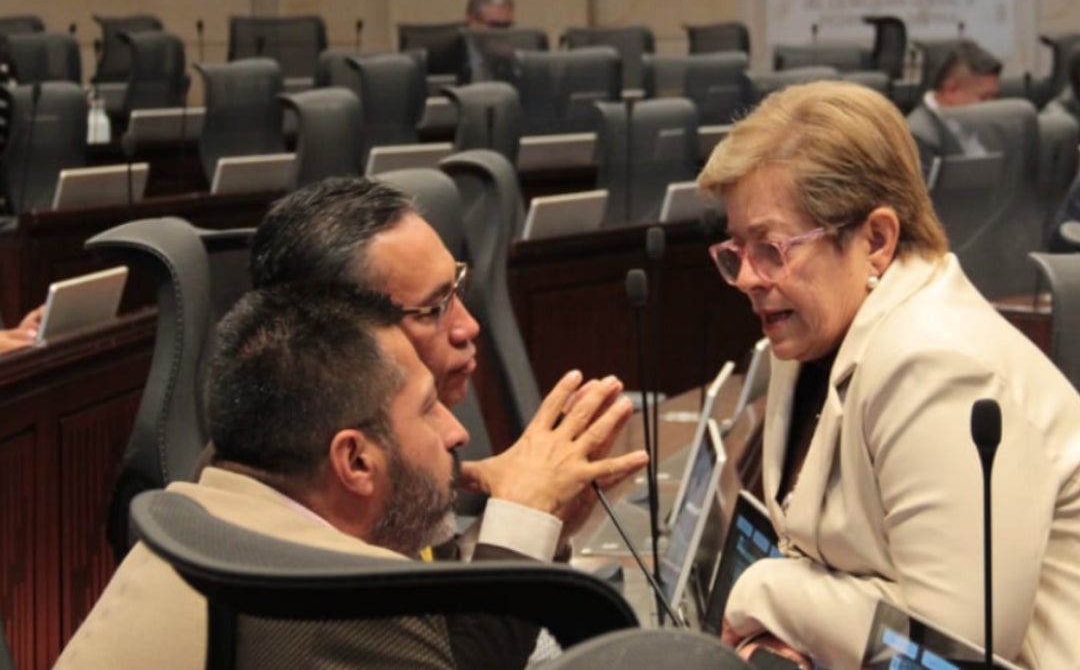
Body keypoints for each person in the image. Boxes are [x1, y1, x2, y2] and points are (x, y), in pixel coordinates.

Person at [56, 283, 644, 669]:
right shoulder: (335, 595)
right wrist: (521, 521)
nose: (457, 433)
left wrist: (540, 527)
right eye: (427, 409)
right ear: (355, 460)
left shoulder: (209, 495)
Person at [698, 80, 1080, 669]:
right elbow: (814, 547)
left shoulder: (939, 363)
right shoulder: (811, 330)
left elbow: (950, 645)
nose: (747, 277)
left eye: (771, 248)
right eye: (736, 252)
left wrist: (763, 593)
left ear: (875, 239)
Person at [250, 176, 639, 552]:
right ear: (341, 334)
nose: (468, 326)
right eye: (434, 308)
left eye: (457, 288)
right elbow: (429, 621)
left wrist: (540, 526)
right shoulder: (320, 485)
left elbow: (443, 599)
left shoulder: (410, 452)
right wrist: (522, 520)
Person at [906, 39, 1002, 178]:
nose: (991, 106)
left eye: (994, 97)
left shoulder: (984, 125)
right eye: (984, 98)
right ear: (951, 90)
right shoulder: (919, 137)